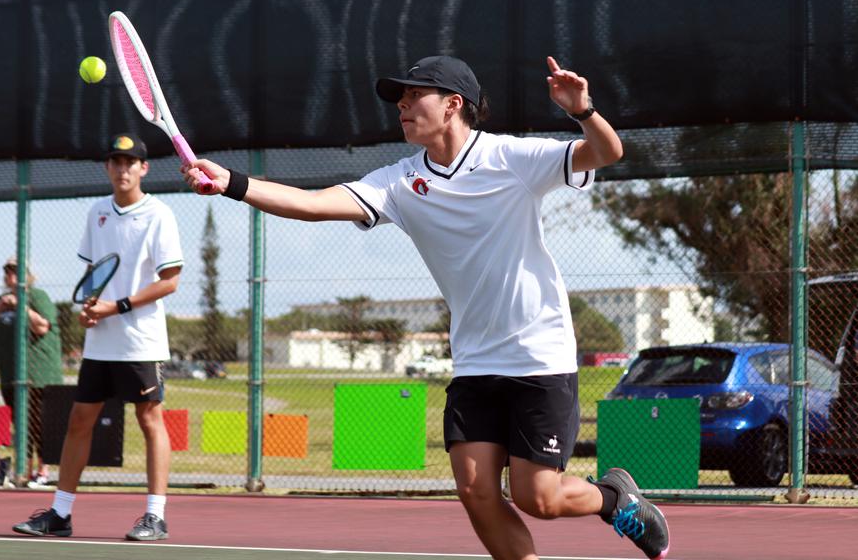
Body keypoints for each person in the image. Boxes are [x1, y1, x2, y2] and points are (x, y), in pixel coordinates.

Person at [184, 55, 670, 559]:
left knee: (538, 498)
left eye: (415, 95)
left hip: (538, 353)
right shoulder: (399, 182)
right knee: (475, 491)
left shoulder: (512, 158)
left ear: (453, 104)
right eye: (401, 98)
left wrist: (583, 110)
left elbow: (606, 152)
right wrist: (232, 184)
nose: (403, 105)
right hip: (476, 361)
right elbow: (315, 203)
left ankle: (615, 498)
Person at [13, 133, 183, 542]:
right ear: (107, 167)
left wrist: (118, 306)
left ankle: (155, 518)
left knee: (149, 419)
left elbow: (171, 281)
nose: (122, 169)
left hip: (141, 340)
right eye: (115, 161)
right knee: (79, 420)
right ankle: (60, 514)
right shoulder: (97, 213)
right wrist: (91, 307)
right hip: (101, 341)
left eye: (130, 162)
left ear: (144, 168)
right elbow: (95, 276)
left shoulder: (159, 214)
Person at [0, 256, 64, 486]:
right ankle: (21, 472)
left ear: (28, 275)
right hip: (11, 376)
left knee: (40, 425)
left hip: (38, 375)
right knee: (20, 426)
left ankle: (42, 472)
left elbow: (42, 326)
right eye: (7, 271)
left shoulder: (37, 296)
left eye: (16, 271)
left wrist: (20, 305)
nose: (11, 276)